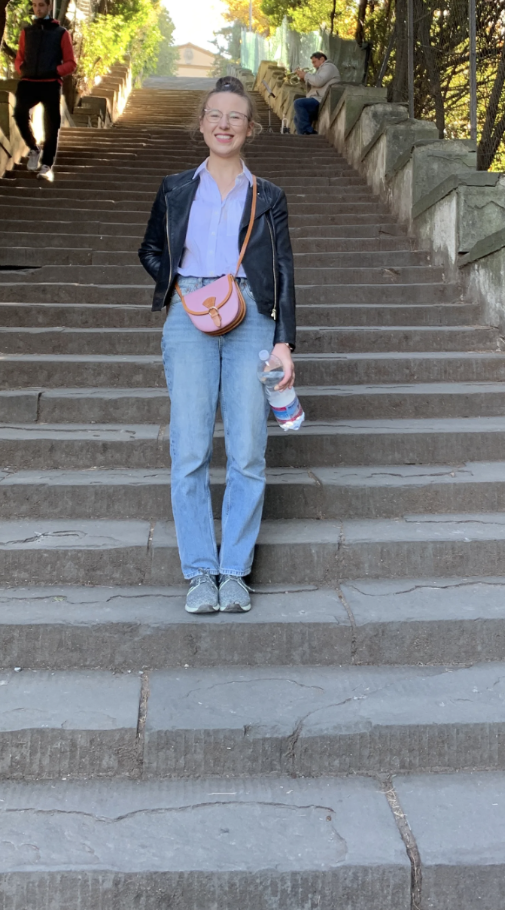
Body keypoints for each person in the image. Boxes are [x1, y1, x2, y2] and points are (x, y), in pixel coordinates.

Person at [139, 76, 297, 615]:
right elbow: (150, 249)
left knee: (248, 449)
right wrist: (179, 286)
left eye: (235, 116)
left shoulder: (268, 195)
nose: (224, 124)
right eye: (215, 115)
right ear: (202, 124)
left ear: (250, 128)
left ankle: (234, 571)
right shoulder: (175, 187)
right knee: (189, 450)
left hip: (251, 315)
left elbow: (283, 270)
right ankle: (200, 572)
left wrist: (284, 342)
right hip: (190, 316)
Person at [13, 0, 77, 182]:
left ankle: (47, 166)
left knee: (52, 125)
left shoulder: (61, 33)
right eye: (34, 5)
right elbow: (19, 58)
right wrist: (21, 69)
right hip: (28, 82)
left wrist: (55, 71)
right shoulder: (27, 32)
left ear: (49, 6)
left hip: (50, 83)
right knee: (19, 113)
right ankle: (33, 148)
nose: (38, 9)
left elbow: (71, 63)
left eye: (41, 5)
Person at [292, 50, 340, 134]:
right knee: (296, 118)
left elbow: (318, 82)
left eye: (314, 62)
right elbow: (310, 89)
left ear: (322, 59)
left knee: (298, 103)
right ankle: (304, 137)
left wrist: (306, 75)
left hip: (320, 99)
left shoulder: (328, 66)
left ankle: (309, 131)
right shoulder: (319, 71)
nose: (313, 65)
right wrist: (303, 79)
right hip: (315, 98)